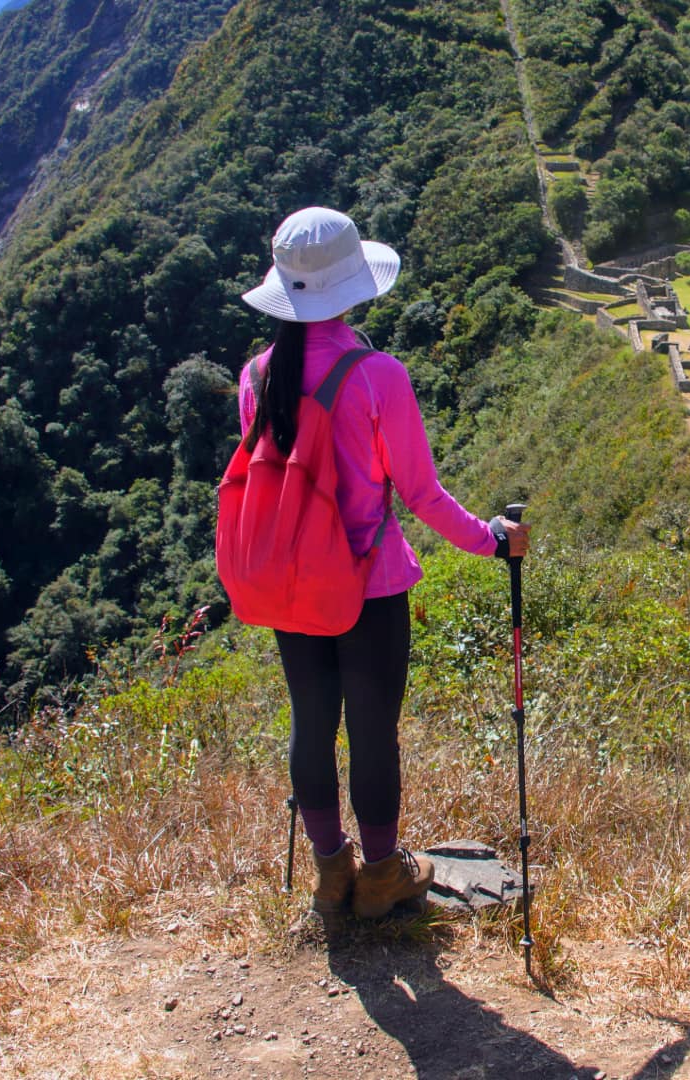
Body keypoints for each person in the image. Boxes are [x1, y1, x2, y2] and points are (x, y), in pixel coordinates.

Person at [235, 207, 528, 919]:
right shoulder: (378, 376)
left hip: (292, 587)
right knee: (372, 734)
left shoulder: (257, 376)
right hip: (368, 586)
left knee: (311, 724)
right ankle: (383, 875)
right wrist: (491, 539)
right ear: (352, 286)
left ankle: (330, 875)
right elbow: (421, 494)